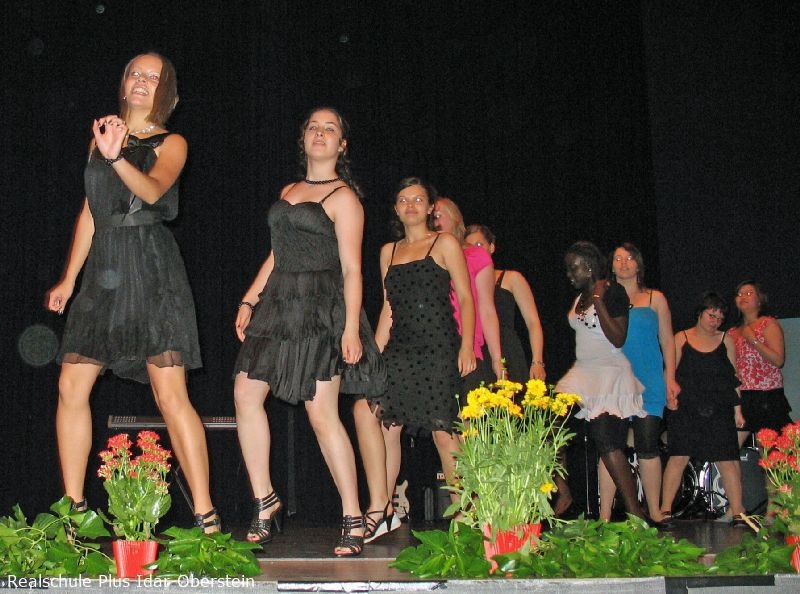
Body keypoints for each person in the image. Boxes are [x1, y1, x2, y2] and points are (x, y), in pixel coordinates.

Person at [45, 53, 219, 531]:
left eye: (153, 77)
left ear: (166, 91)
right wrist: (69, 278)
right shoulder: (100, 137)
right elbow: (91, 212)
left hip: (151, 267)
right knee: (70, 386)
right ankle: (73, 514)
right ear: (124, 83)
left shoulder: (172, 142)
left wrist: (116, 156)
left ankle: (206, 516)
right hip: (103, 271)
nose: (142, 81)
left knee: (170, 395)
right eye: (135, 73)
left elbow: (153, 191)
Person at [233, 107, 385, 556]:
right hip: (279, 304)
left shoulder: (344, 198)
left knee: (322, 414)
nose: (320, 133)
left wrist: (351, 328)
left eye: (330, 128)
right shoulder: (288, 191)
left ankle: (352, 514)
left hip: (321, 307)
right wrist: (250, 298)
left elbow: (353, 269)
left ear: (341, 145)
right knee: (245, 393)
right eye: (313, 127)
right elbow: (277, 256)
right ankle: (265, 499)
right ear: (304, 139)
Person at [365, 177, 476, 531]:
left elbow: (466, 297)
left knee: (444, 431)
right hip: (400, 348)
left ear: (430, 207)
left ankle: (464, 513)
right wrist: (374, 355)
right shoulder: (388, 251)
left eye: (417, 199)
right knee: (387, 426)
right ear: (396, 209)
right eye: (403, 200)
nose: (410, 205)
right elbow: (388, 308)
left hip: (438, 346)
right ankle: (382, 509)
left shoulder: (444, 243)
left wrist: (467, 345)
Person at [554, 241, 651, 525]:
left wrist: (598, 301)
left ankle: (636, 513)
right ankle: (564, 493)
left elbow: (618, 338)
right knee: (549, 426)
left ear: (589, 267)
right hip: (583, 372)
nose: (569, 275)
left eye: (573, 269)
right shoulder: (579, 297)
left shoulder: (612, 292)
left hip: (609, 372)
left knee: (607, 442)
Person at [598, 243, 679, 523]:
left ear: (638, 264)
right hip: (614, 383)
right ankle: (605, 515)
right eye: (618, 258)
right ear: (611, 265)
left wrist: (670, 377)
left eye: (629, 258)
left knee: (647, 446)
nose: (623, 263)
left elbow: (667, 341)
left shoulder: (655, 298)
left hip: (648, 381)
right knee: (610, 447)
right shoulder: (604, 298)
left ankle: (654, 510)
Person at [660, 292, 747, 526]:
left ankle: (738, 511)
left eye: (720, 318)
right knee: (678, 457)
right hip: (687, 408)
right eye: (711, 315)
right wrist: (669, 397)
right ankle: (665, 510)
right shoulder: (681, 337)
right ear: (700, 313)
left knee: (727, 460)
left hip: (719, 408)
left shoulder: (726, 340)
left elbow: (734, 378)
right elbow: (669, 373)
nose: (715, 321)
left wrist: (738, 411)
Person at [432, 198, 503, 391]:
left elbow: (487, 309)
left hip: (464, 346)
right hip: (429, 347)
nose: (434, 221)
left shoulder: (475, 255)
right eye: (430, 217)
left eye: (438, 215)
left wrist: (497, 359)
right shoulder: (423, 258)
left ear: (455, 218)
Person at [464, 224, 545, 382]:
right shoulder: (463, 284)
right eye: (469, 246)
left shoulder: (511, 278)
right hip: (476, 351)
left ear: (491, 247)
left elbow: (533, 322)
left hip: (506, 348)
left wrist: (537, 361)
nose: (475, 250)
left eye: (479, 244)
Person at [729, 280, 791, 447]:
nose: (743, 297)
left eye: (749, 293)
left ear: (760, 299)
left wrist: (753, 340)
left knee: (772, 450)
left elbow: (778, 360)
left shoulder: (767, 323)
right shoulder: (732, 332)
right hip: (742, 396)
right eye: (739, 294)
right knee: (729, 447)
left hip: (766, 395)